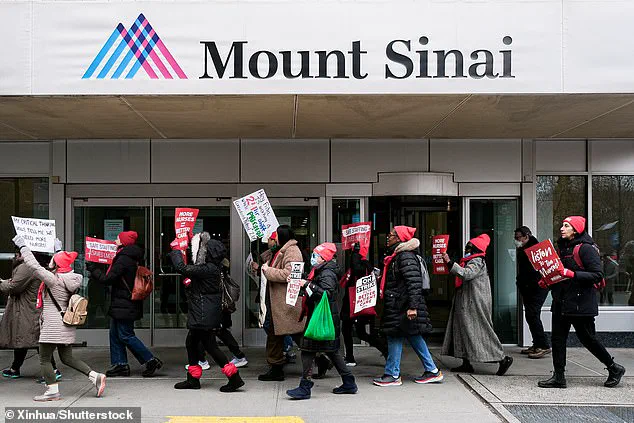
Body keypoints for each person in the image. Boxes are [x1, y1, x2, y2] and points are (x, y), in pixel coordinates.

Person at [12, 235, 106, 402]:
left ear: (55, 264)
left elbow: (34, 266)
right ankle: (95, 376)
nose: (50, 262)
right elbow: (62, 262)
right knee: (67, 358)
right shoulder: (69, 276)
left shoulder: (53, 280)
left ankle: (52, 391)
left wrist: (23, 247)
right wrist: (58, 250)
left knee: (44, 359)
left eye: (53, 260)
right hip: (65, 324)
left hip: (52, 326)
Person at [538, 216, 626, 389]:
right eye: (562, 225)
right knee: (557, 340)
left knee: (588, 339)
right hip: (561, 301)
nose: (562, 228)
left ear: (576, 229)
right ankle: (559, 377)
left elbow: (597, 275)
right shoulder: (562, 248)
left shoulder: (586, 249)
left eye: (566, 226)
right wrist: (547, 281)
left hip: (581, 303)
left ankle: (614, 368)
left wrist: (572, 274)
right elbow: (560, 274)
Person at [169, 232, 244, 392]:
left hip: (203, 313)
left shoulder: (208, 268)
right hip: (204, 311)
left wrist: (176, 250)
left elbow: (182, 268)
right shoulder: (213, 267)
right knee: (192, 343)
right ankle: (193, 379)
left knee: (210, 346)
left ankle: (234, 378)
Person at [286, 243, 358, 399]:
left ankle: (305, 387)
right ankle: (349, 382)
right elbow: (315, 291)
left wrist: (307, 284)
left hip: (322, 317)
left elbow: (325, 294)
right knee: (332, 351)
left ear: (323, 258)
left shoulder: (327, 273)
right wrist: (301, 284)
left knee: (308, 350)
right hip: (325, 317)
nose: (313, 258)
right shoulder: (322, 271)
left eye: (316, 255)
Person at [373, 226, 442, 387]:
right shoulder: (398, 256)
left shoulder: (404, 257)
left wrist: (413, 307)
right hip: (400, 304)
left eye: (391, 235)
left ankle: (393, 374)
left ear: (399, 238)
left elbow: (414, 283)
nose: (388, 237)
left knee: (395, 336)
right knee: (410, 335)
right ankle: (431, 370)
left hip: (402, 305)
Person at [86, 231, 162, 378]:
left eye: (118, 238)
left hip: (124, 302)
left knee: (125, 334)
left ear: (124, 242)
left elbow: (108, 279)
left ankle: (150, 360)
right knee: (115, 333)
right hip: (124, 302)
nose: (115, 240)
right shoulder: (131, 257)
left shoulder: (123, 259)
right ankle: (120, 364)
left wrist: (93, 269)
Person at [441, 233, 514, 376]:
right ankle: (466, 362)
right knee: (463, 331)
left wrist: (449, 262)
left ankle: (502, 359)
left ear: (475, 249)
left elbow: (466, 274)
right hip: (466, 303)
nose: (466, 249)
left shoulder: (477, 261)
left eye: (469, 247)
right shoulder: (470, 260)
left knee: (482, 332)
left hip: (474, 304)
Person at [0, 247, 60, 380]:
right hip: (32, 307)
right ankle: (15, 368)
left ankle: (53, 370)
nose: (15, 256)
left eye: (18, 253)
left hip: (27, 309)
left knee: (35, 340)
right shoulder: (41, 264)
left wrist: (2, 283)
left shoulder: (27, 267)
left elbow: (13, 287)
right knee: (24, 338)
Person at [257, 225, 306, 382]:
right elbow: (267, 261)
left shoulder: (292, 251)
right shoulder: (282, 249)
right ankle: (276, 367)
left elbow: (289, 274)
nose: (274, 239)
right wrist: (270, 251)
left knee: (293, 333)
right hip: (277, 301)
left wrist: (268, 271)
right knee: (276, 334)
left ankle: (320, 359)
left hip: (284, 302)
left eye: (276, 236)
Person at [341, 242, 388, 366]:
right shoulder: (366, 264)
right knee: (357, 332)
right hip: (358, 302)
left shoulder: (360, 264)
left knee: (352, 331)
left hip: (354, 302)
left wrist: (355, 254)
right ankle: (384, 350)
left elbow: (356, 270)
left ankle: (350, 357)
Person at [514, 226, 551, 359]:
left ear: (526, 236)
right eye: (515, 238)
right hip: (529, 287)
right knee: (531, 316)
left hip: (536, 287)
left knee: (533, 315)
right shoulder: (524, 249)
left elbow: (537, 270)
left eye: (518, 237)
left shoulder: (536, 250)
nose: (516, 240)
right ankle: (537, 344)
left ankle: (543, 345)